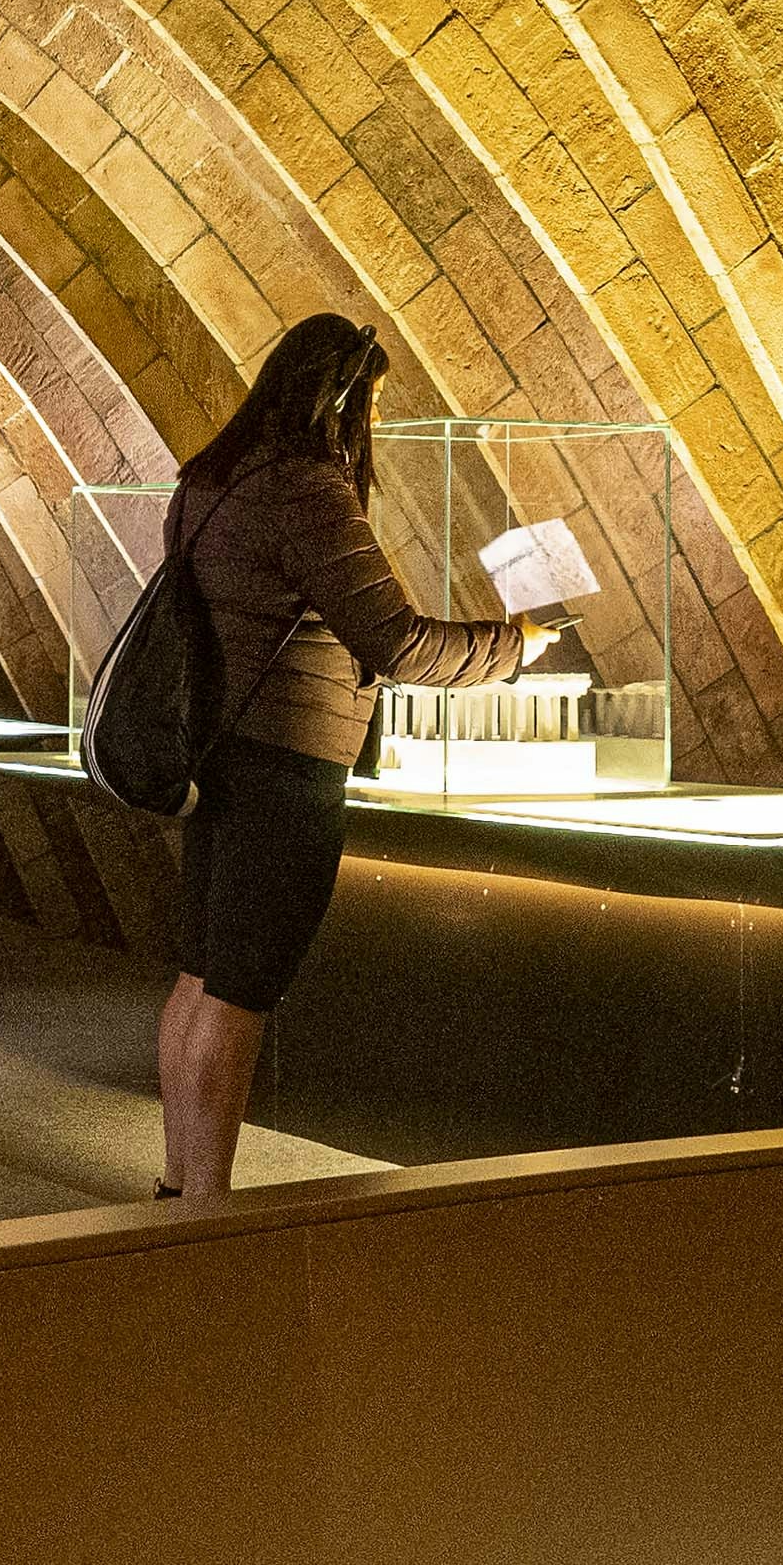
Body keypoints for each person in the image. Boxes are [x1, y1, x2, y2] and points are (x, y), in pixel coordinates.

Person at [153, 312, 556, 1204]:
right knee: (240, 992)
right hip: (287, 766)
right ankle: (210, 1210)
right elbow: (398, 641)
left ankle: (180, 1190)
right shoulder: (304, 488)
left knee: (199, 978)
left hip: (218, 756)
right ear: (339, 398)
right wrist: (513, 645)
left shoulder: (209, 480)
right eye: (369, 402)